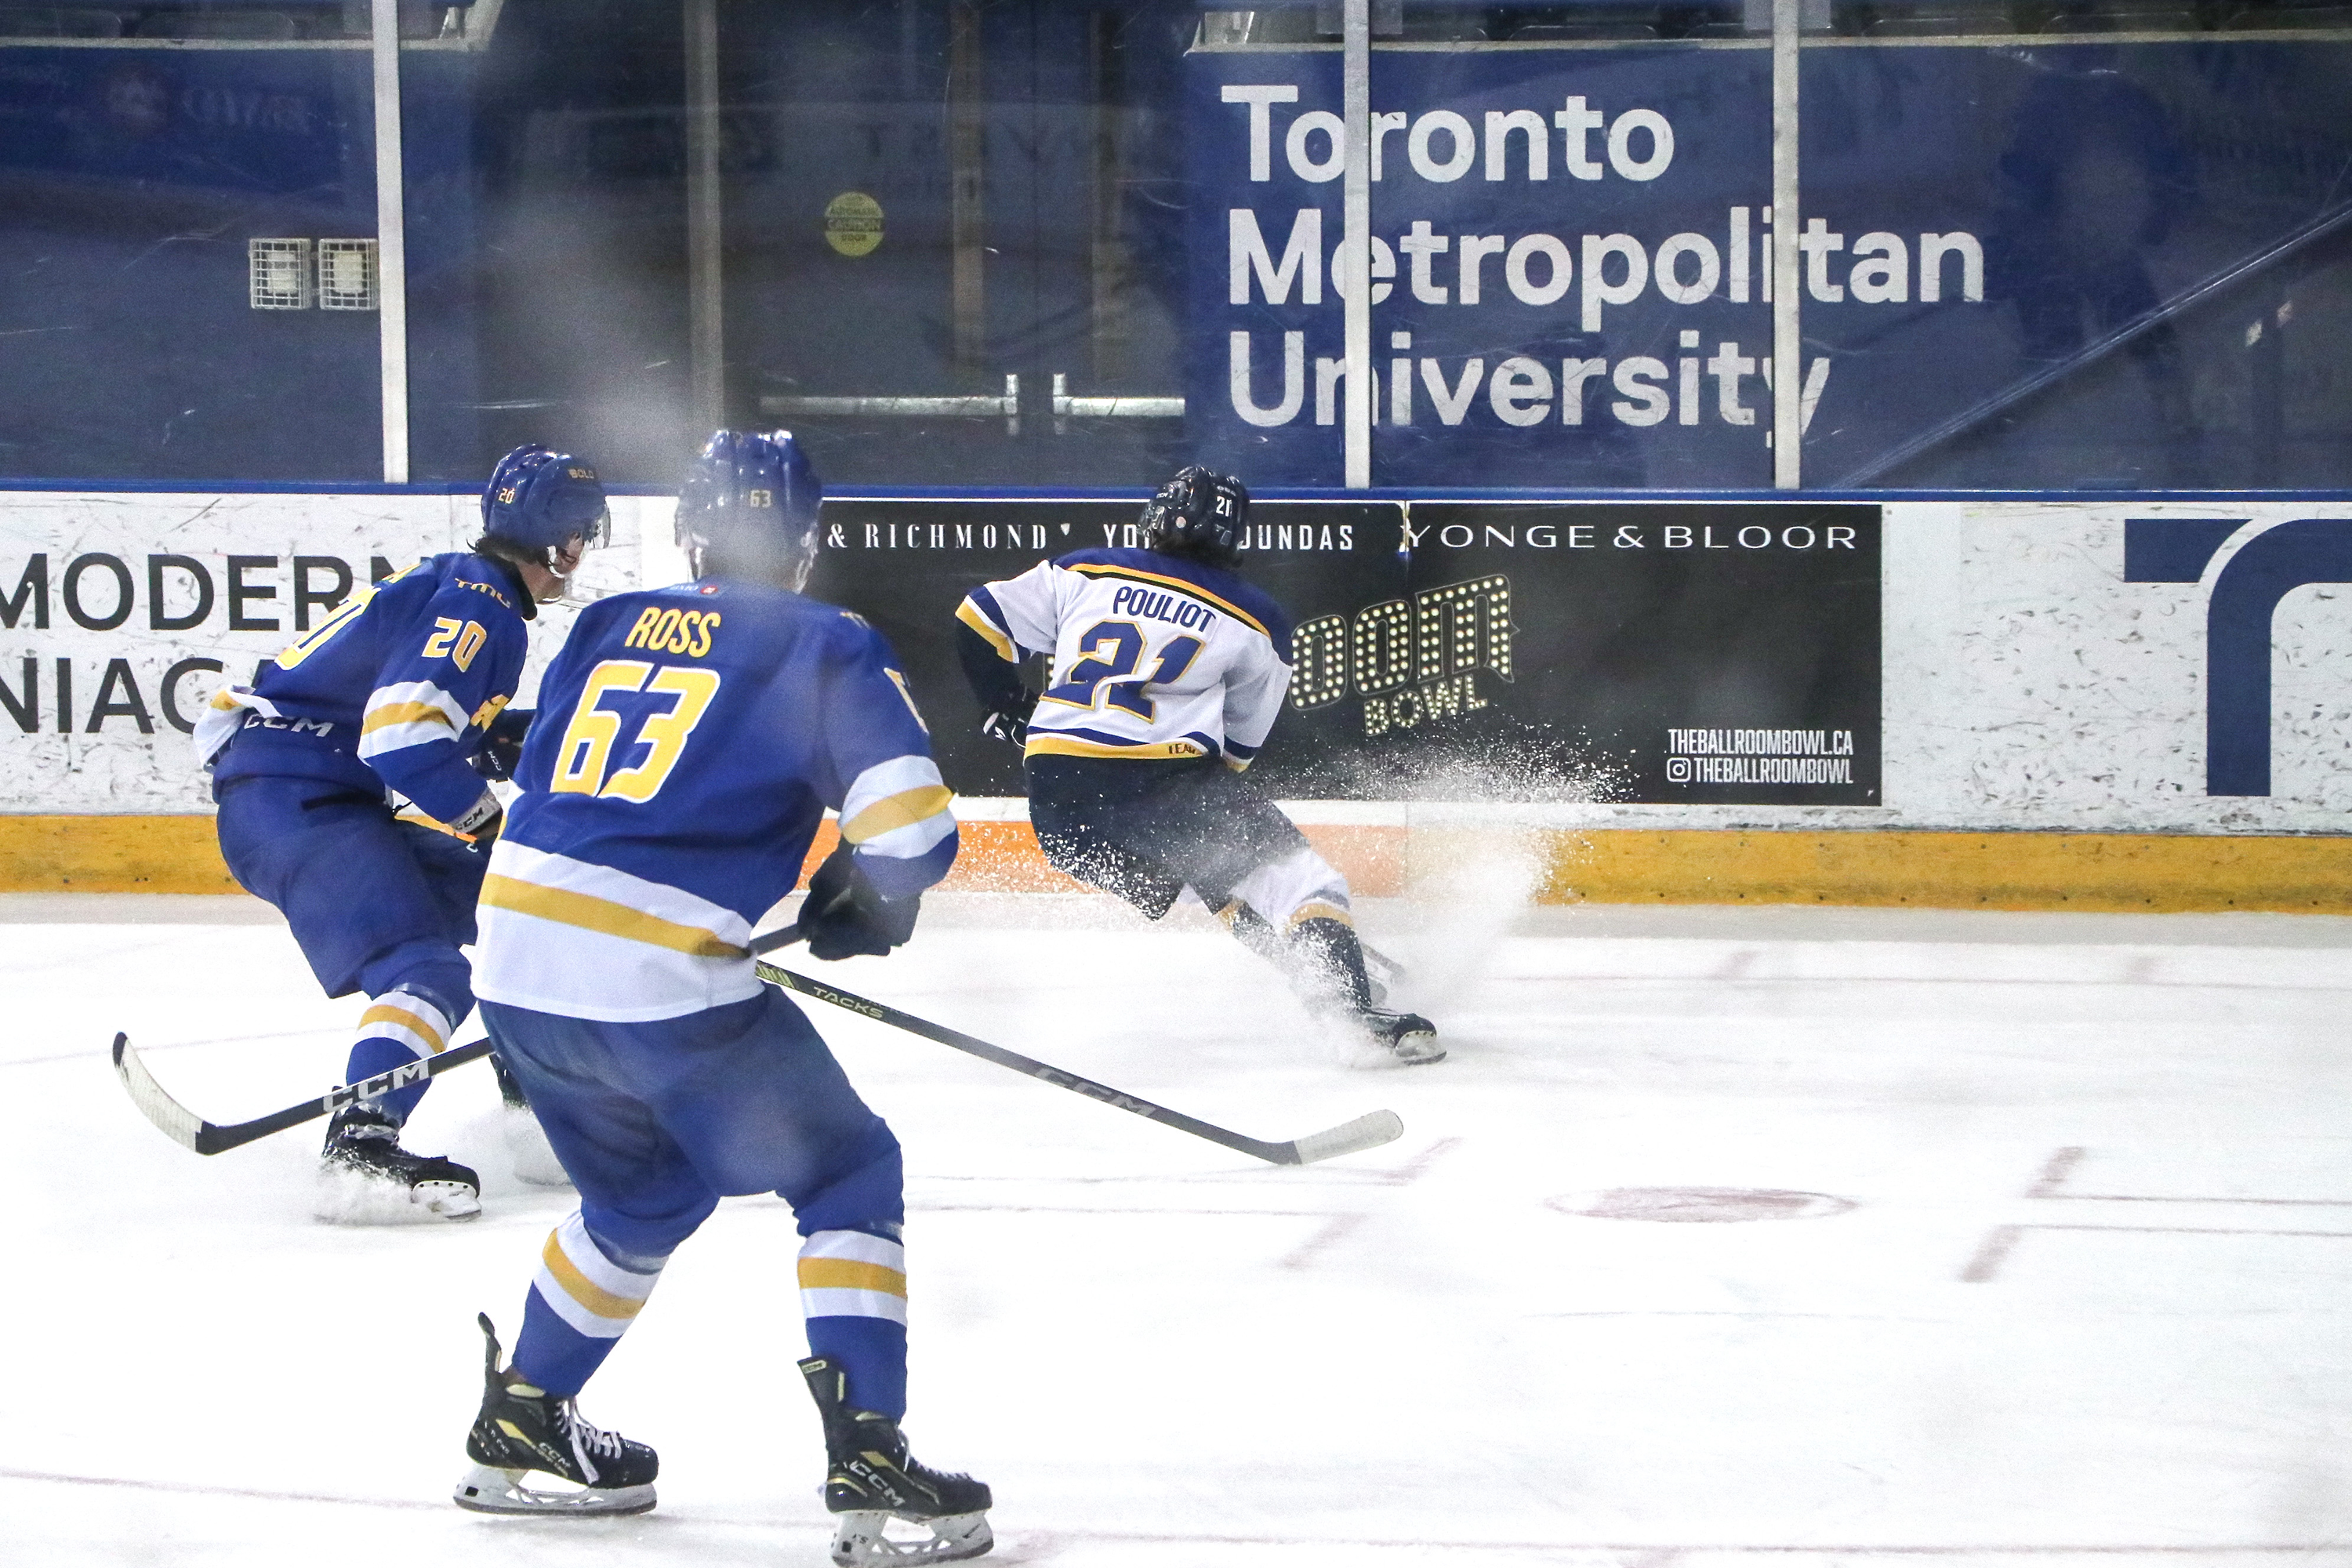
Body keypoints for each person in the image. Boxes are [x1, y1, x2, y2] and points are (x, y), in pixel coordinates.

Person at [451, 429, 991, 1566]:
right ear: (803, 543)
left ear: (691, 531)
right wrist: (865, 890)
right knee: (847, 1172)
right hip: (659, 984)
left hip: (510, 965)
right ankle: (870, 1457)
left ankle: (519, 1420)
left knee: (642, 1206)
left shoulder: (601, 623)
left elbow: (565, 782)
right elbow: (914, 835)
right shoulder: (827, 640)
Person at [194, 445, 608, 1218]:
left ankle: (538, 1103)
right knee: (428, 967)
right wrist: (492, 826)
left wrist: (530, 741)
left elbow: (406, 719)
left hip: (306, 793)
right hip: (298, 801)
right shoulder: (479, 606)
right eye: (581, 533)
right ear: (556, 538)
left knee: (519, 905)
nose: (582, 553)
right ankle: (359, 1147)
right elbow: (401, 737)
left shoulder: (465, 584)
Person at [952, 464, 1440, 1064]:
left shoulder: (1084, 569)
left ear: (1157, 516)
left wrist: (1004, 704)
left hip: (1058, 808)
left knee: (1216, 881)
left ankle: (1321, 978)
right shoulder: (1255, 617)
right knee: (1299, 881)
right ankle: (1347, 1009)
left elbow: (979, 618)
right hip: (1158, 781)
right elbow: (1238, 749)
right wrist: (1205, 813)